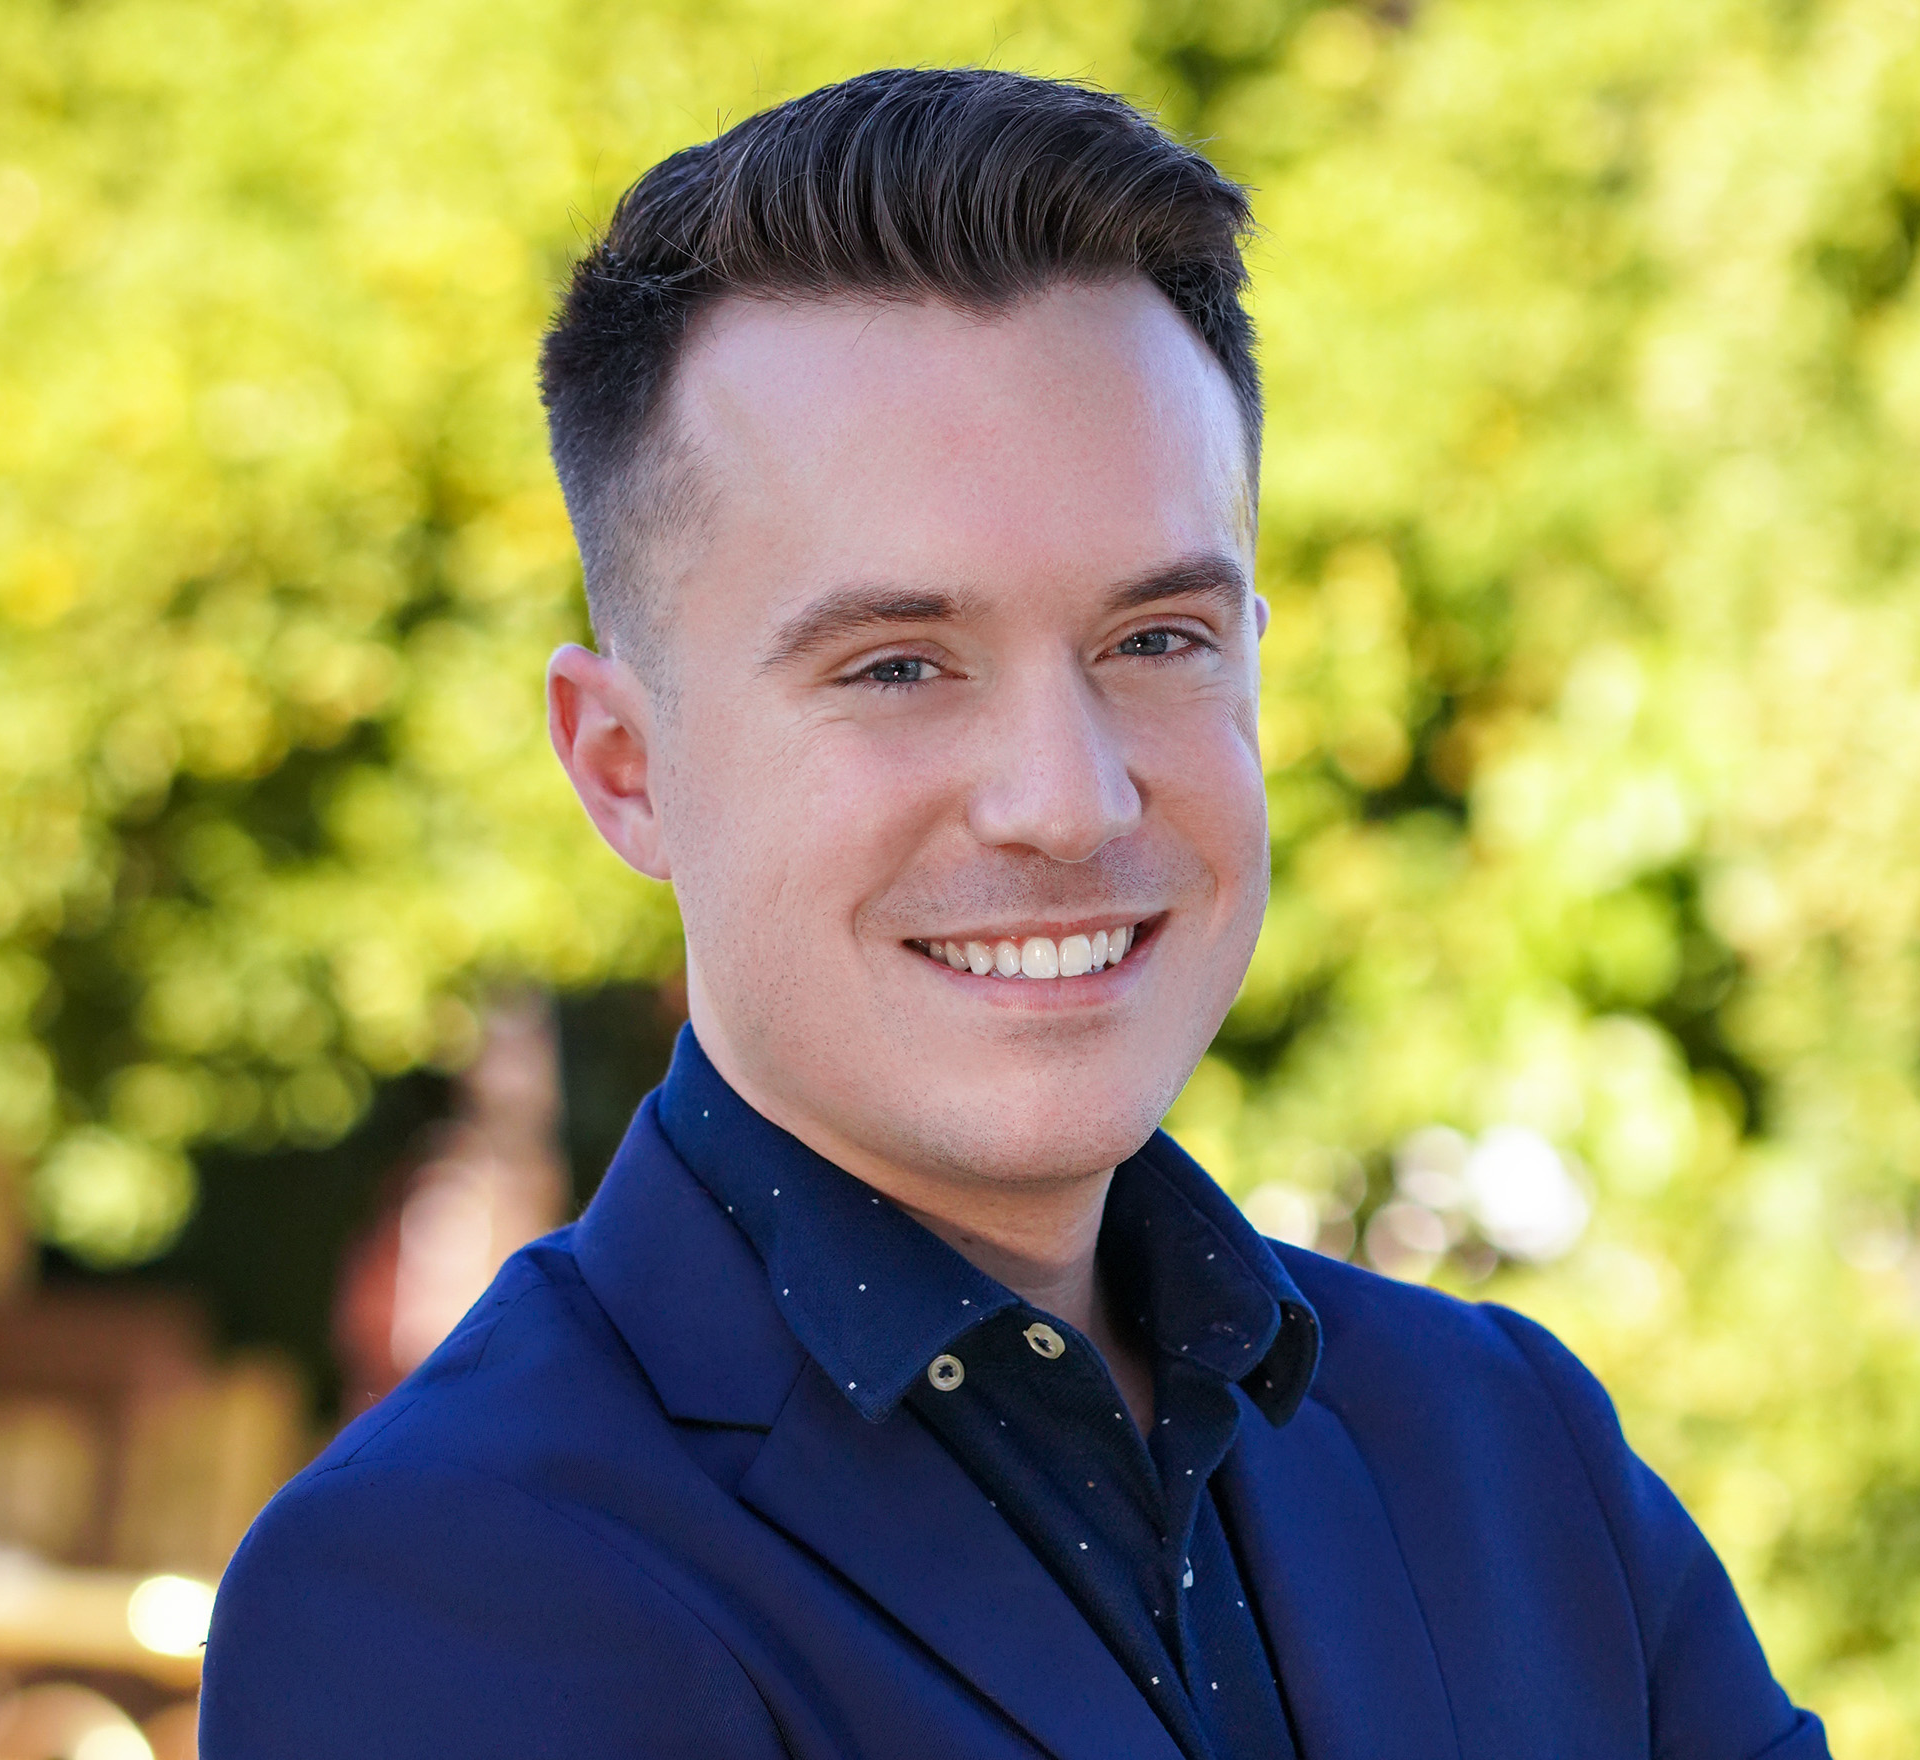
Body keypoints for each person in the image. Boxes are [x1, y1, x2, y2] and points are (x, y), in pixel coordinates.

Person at [200, 68, 1828, 1760]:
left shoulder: (1515, 1457)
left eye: (1156, 640)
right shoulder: (441, 1592)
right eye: (898, 667)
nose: (1069, 801)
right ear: (624, 766)